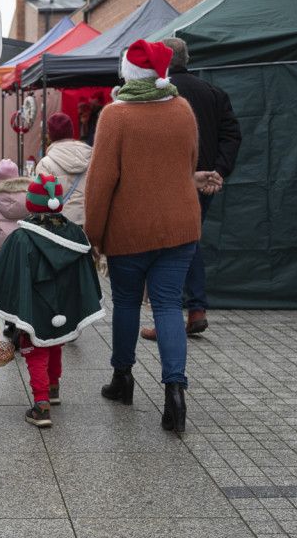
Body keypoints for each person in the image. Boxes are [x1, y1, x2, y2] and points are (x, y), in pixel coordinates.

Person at [84, 39, 220, 434]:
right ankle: (175, 391)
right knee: (166, 306)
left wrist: (94, 234)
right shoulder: (182, 109)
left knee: (126, 303)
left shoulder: (115, 116)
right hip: (180, 227)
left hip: (129, 230)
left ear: (127, 73)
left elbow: (100, 183)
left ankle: (123, 379)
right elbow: (185, 165)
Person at [0, 173, 105, 427]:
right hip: (63, 304)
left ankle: (41, 405)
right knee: (55, 342)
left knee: (34, 347)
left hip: (34, 305)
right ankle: (53, 388)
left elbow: (6, 276)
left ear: (30, 204)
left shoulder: (20, 237)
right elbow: (85, 273)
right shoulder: (75, 235)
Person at [140, 37, 241, 341]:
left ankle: (170, 315)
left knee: (167, 247)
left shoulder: (159, 93)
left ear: (164, 61)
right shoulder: (214, 92)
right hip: (205, 182)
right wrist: (218, 172)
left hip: (167, 182)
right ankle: (195, 309)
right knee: (189, 239)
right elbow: (231, 135)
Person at [36, 112, 92, 227]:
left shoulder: (45, 164)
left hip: (60, 224)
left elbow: (41, 201)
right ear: (71, 131)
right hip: (88, 220)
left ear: (50, 135)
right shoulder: (90, 156)